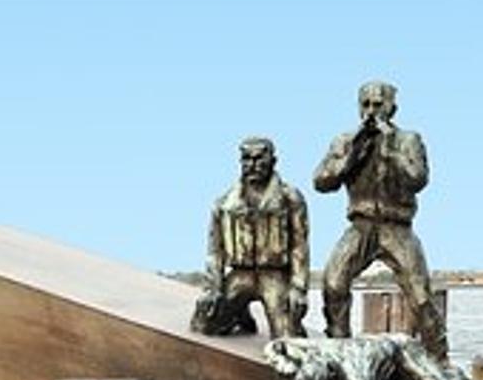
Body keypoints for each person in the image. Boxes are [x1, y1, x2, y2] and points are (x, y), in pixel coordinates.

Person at [312, 81, 446, 360]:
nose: (371, 112)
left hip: (397, 228)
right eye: (366, 105)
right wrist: (351, 156)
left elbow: (417, 179)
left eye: (378, 105)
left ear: (392, 108)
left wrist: (389, 147)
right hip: (360, 227)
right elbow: (321, 182)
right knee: (333, 283)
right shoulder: (346, 141)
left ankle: (439, 357)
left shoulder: (409, 140)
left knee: (421, 297)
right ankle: (340, 350)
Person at [191, 136, 309, 339]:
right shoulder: (224, 202)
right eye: (247, 159)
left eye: (259, 159)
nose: (252, 165)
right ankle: (239, 313)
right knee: (204, 323)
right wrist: (213, 288)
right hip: (239, 275)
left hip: (275, 276)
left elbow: (300, 246)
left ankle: (293, 325)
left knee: (287, 339)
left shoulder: (291, 198)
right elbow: (214, 250)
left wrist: (298, 287)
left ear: (273, 161)